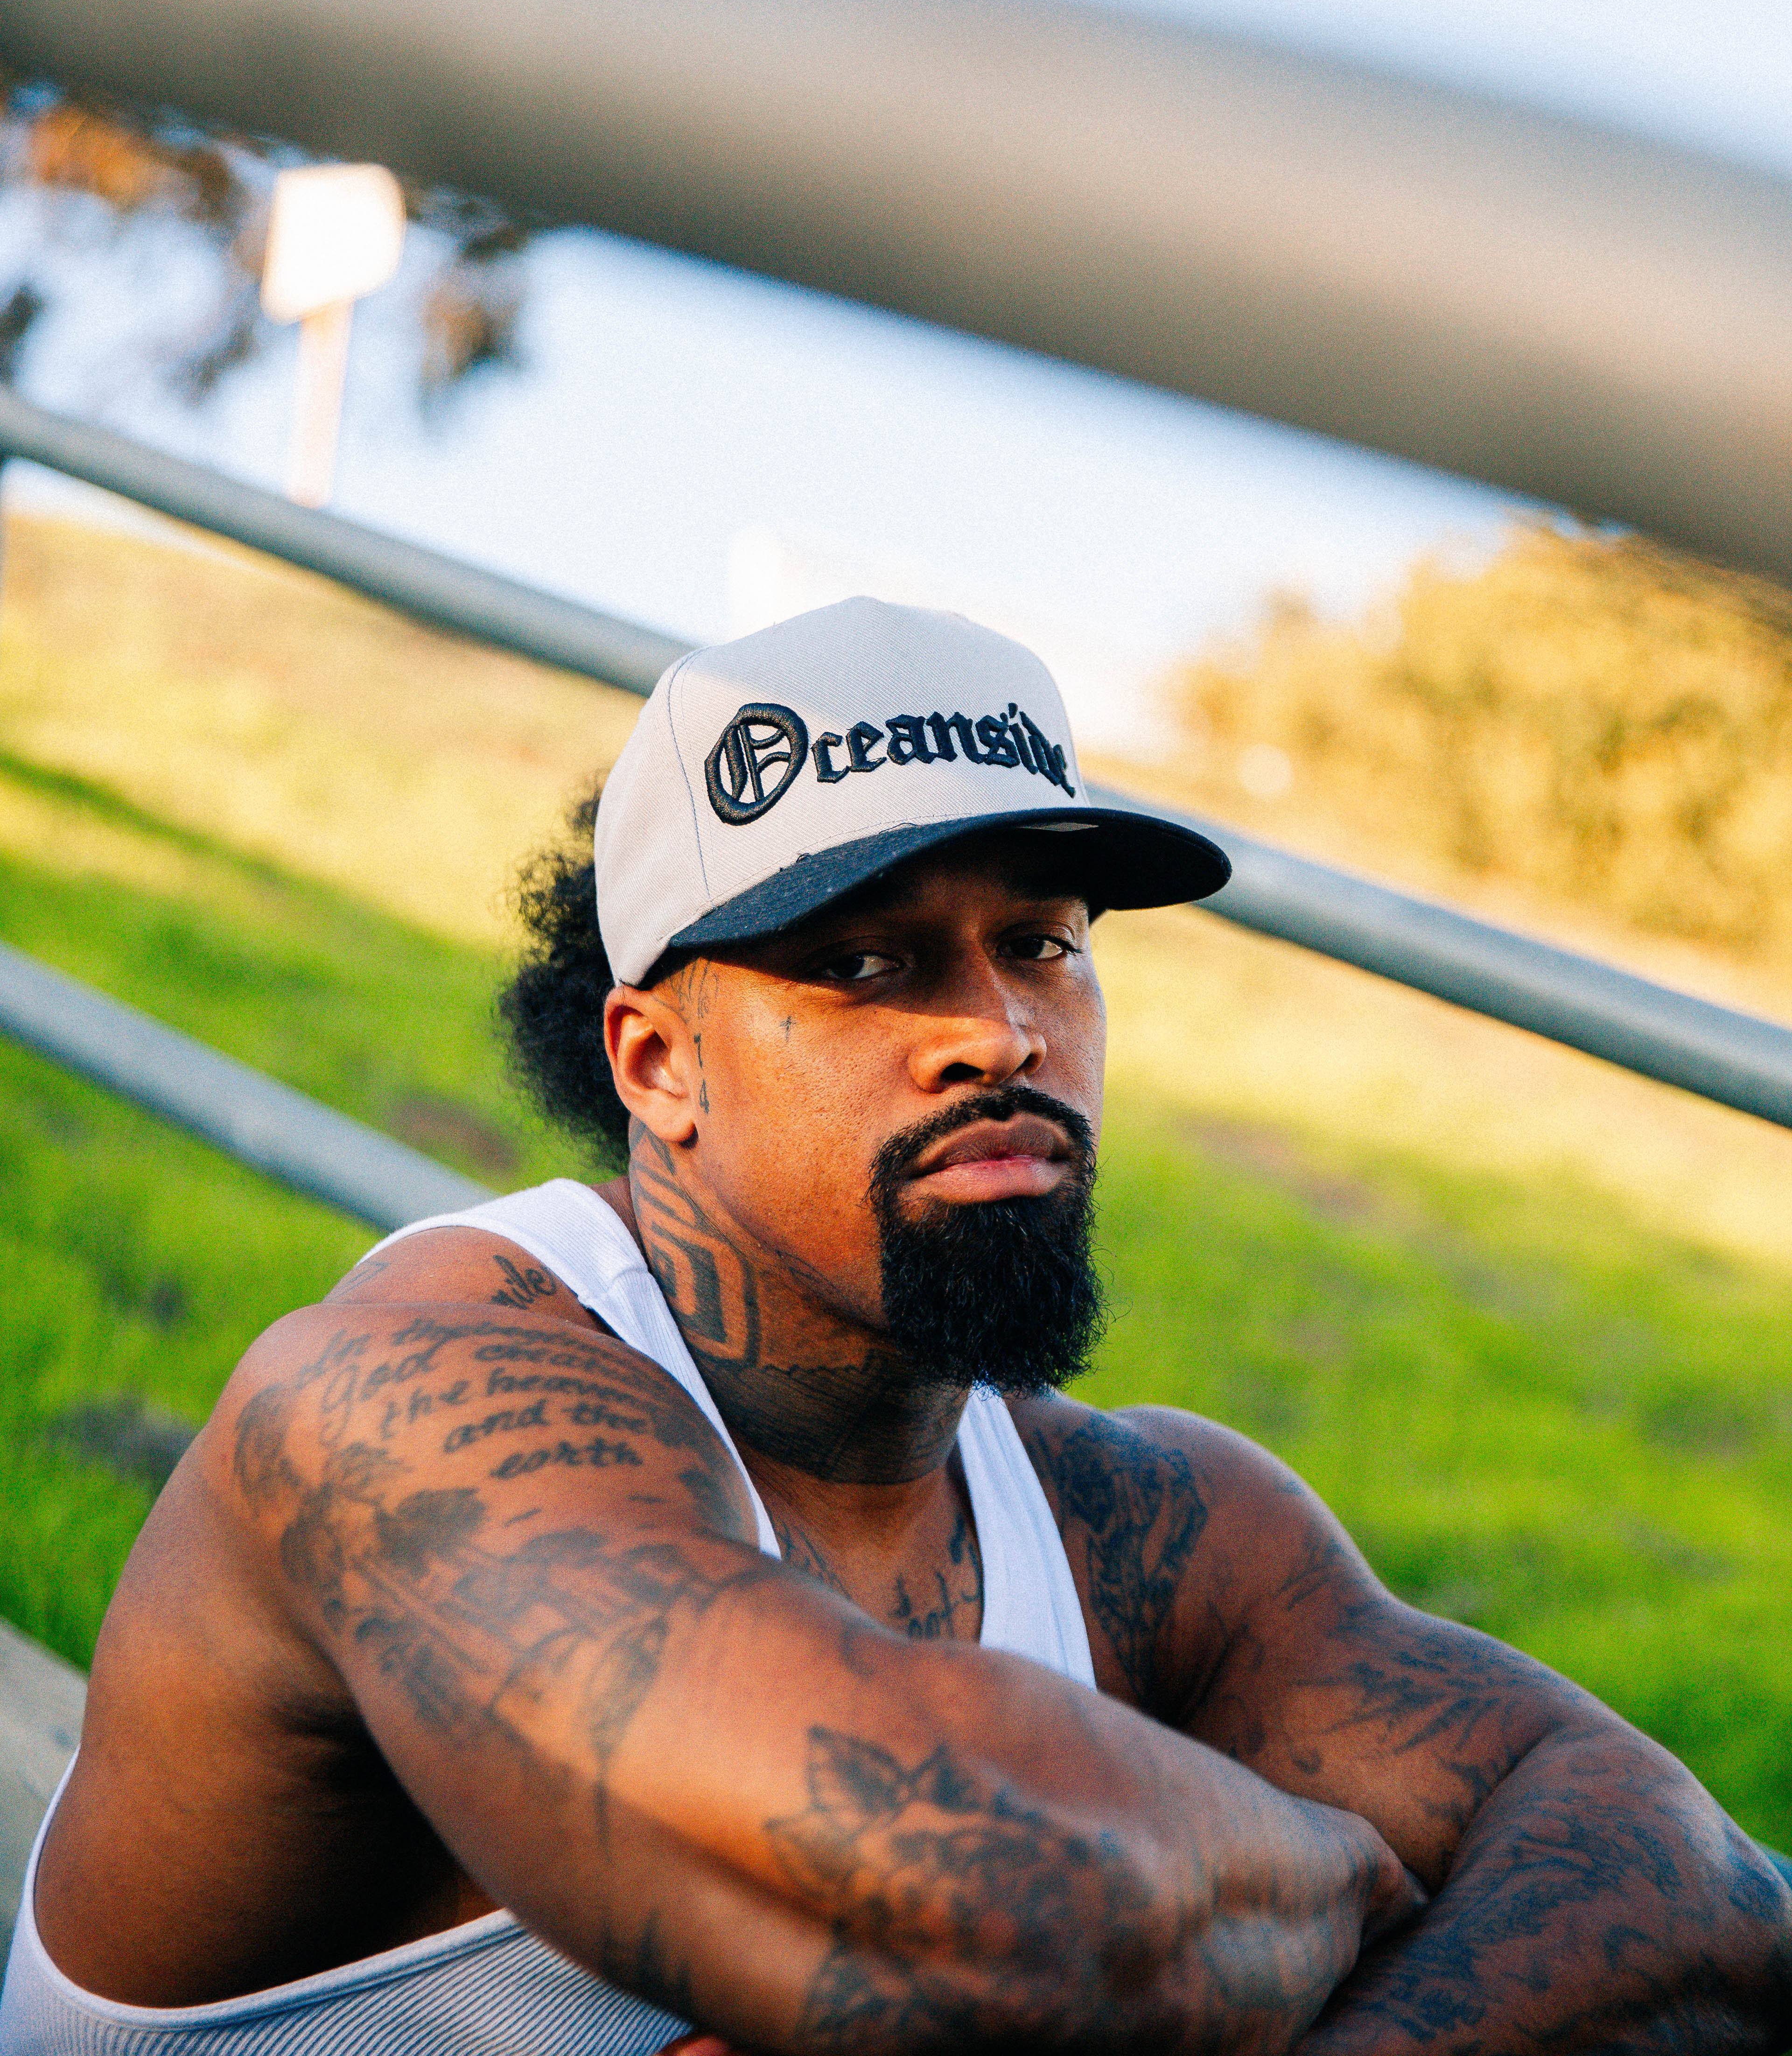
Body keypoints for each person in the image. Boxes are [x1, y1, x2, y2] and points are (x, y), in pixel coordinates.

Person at [5, 599, 1789, 2056]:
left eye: (1045, 942)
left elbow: (1701, 1892)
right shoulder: (409, 1403)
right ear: (657, 1062)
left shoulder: (1145, 1526)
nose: (1000, 1031)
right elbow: (992, 1908)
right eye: (870, 962)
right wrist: (1366, 1877)